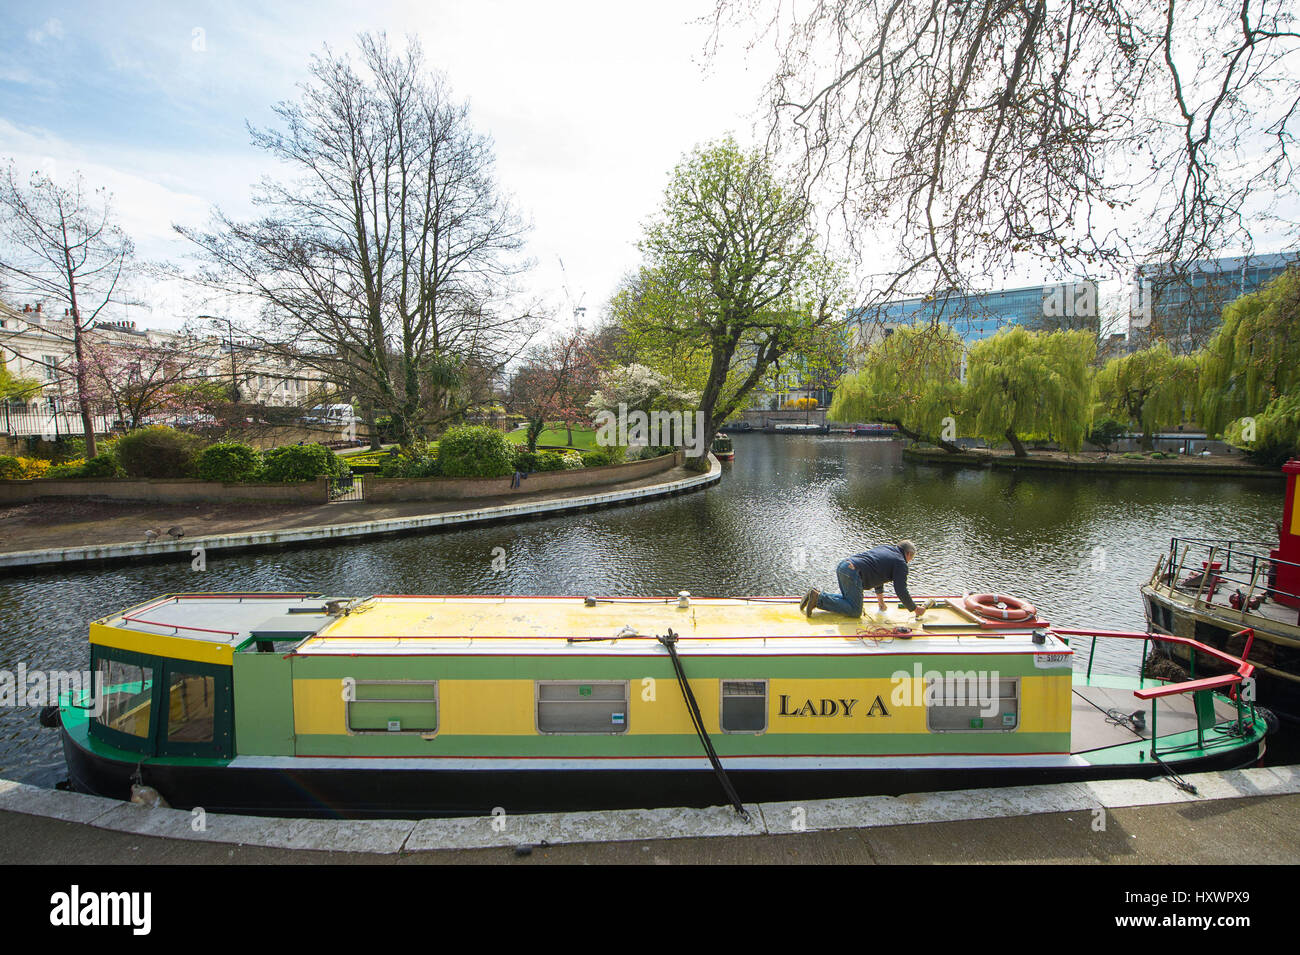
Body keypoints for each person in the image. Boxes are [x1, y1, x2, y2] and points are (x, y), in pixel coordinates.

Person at [801, 540, 927, 619]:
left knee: (848, 601)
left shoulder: (887, 549)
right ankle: (818, 599)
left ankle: (815, 595)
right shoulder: (900, 563)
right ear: (909, 554)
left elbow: (879, 578)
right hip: (853, 572)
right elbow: (901, 590)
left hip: (844, 566)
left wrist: (881, 603)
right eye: (912, 558)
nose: (910, 561)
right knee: (856, 611)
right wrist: (915, 609)